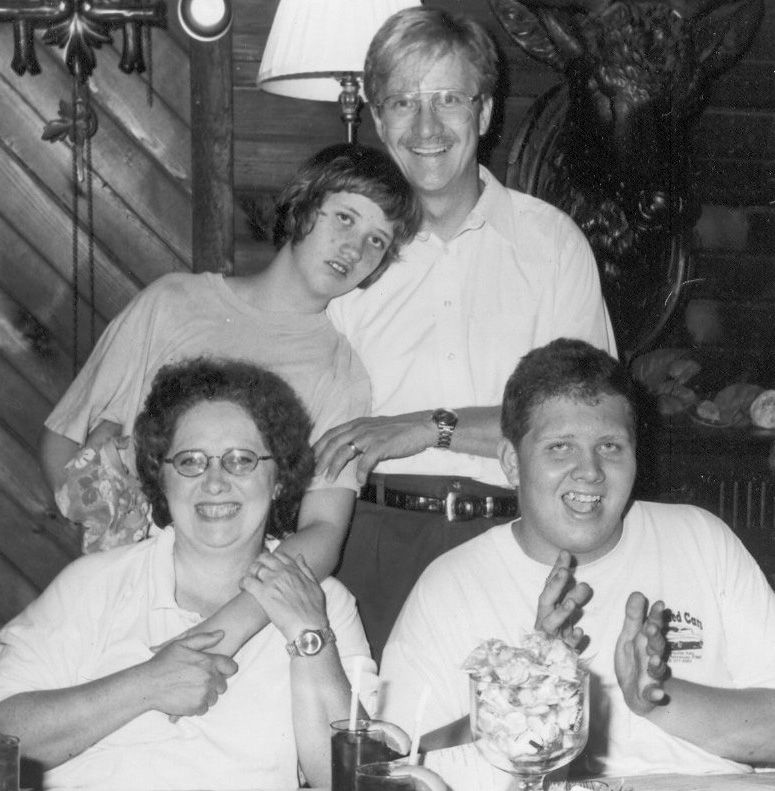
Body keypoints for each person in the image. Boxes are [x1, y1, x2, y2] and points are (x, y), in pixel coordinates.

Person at [317, 6, 618, 663]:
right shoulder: (341, 251)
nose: (425, 127)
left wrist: (428, 425)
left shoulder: (550, 245)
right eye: (402, 101)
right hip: (364, 540)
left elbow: (581, 426)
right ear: (376, 117)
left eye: (448, 98)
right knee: (372, 750)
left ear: (482, 113)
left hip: (514, 543)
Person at [38, 143, 421, 654]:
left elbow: (324, 530)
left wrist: (228, 623)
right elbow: (60, 445)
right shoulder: (172, 304)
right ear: (303, 206)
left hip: (243, 608)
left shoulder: (343, 373)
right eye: (345, 219)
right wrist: (112, 555)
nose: (354, 250)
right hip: (124, 590)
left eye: (376, 241)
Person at [378, 338, 775, 780]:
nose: (590, 470)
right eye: (560, 447)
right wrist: (524, 697)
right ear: (511, 462)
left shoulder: (699, 539)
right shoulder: (451, 584)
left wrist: (660, 697)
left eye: (610, 446)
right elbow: (399, 767)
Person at [0, 359, 376, 790]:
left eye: (241, 460)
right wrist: (146, 684)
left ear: (278, 479)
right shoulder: (93, 584)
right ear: (162, 478)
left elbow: (355, 783)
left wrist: (310, 637)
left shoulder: (323, 602)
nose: (215, 482)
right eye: (190, 461)